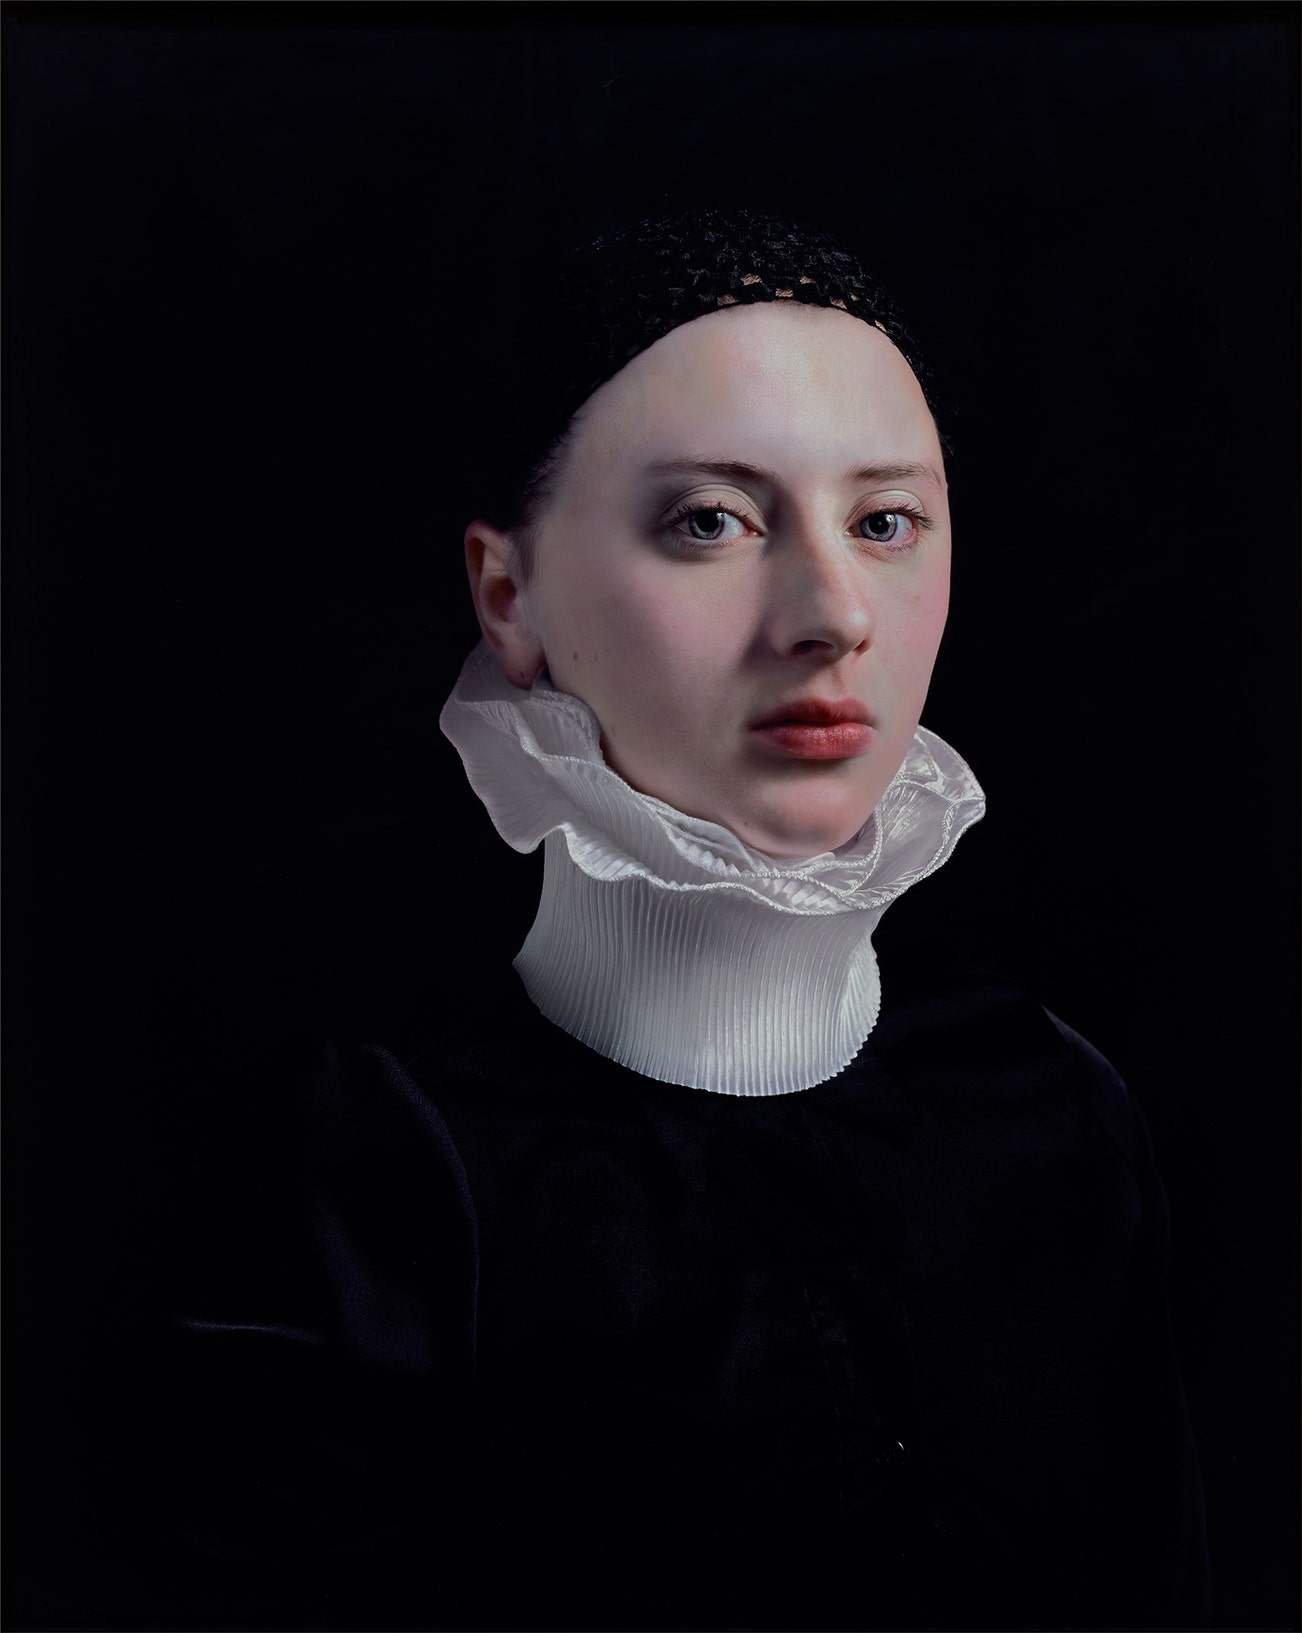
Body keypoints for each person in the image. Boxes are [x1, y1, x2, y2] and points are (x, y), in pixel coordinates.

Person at [117, 210, 1208, 1631]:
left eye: (883, 521)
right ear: (506, 594)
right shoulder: (373, 1176)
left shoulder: (1056, 1108)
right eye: (711, 520)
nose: (831, 615)